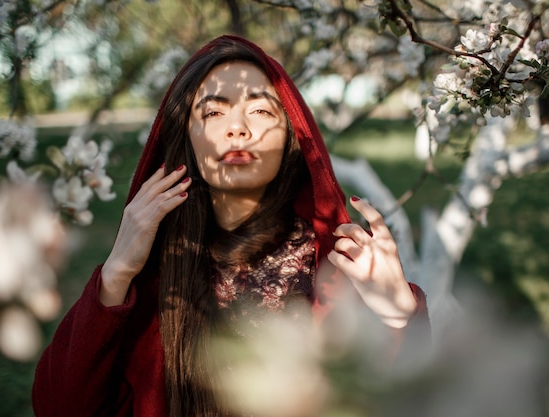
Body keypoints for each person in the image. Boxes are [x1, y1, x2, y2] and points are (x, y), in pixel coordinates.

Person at [32, 35, 429, 417]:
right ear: (187, 136)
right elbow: (61, 409)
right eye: (213, 112)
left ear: (292, 135)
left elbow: (408, 402)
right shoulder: (156, 273)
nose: (237, 128)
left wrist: (399, 317)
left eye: (260, 110)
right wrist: (117, 272)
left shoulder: (335, 269)